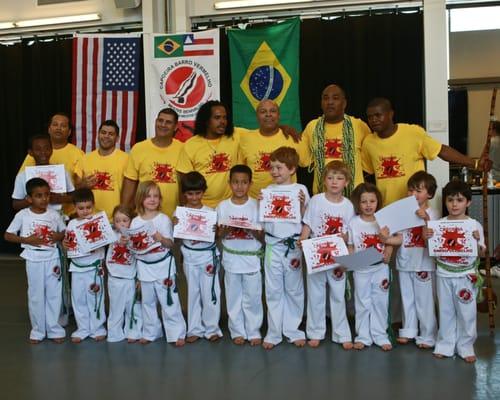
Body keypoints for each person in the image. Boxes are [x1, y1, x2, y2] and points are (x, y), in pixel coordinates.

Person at [363, 97, 489, 206]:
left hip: (416, 206)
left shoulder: (412, 132)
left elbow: (442, 150)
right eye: (370, 117)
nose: (373, 120)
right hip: (387, 208)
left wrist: (475, 163)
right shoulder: (369, 142)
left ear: (390, 114)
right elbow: (367, 174)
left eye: (378, 115)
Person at [424, 181, 485, 363]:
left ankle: (466, 346)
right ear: (445, 202)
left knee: (467, 313)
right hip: (443, 273)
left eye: (459, 200)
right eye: (450, 200)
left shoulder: (474, 225)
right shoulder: (438, 224)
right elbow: (432, 250)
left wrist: (476, 241)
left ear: (468, 202)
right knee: (446, 311)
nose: (454, 204)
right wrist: (428, 238)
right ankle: (445, 345)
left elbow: (482, 252)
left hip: (465, 275)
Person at [379, 171, 438, 348]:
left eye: (418, 191)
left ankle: (428, 335)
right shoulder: (403, 212)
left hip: (424, 263)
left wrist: (426, 220)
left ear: (429, 193)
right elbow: (401, 238)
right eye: (410, 190)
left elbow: (433, 239)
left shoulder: (433, 213)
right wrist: (385, 239)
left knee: (425, 300)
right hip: (405, 261)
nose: (413, 195)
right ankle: (409, 330)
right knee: (407, 298)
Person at [299, 160, 354, 349]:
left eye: (339, 178)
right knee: (315, 294)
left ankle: (342, 333)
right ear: (324, 181)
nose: (334, 182)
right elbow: (308, 224)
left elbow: (350, 234)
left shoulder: (348, 206)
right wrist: (303, 242)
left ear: (346, 182)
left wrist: (344, 241)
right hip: (316, 255)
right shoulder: (316, 200)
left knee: (338, 295)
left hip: (338, 256)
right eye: (330, 178)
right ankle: (315, 332)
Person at [4, 178, 66, 344]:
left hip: (52, 258)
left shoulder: (54, 214)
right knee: (36, 295)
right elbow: (8, 235)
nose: (44, 199)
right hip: (33, 258)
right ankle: (38, 330)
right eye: (39, 196)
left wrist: (58, 236)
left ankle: (54, 328)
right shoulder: (23, 215)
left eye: (46, 195)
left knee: (53, 294)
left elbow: (64, 232)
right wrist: (27, 240)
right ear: (29, 198)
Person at [261, 147, 309, 350]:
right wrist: (261, 206)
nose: (274, 172)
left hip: (293, 244)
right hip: (273, 244)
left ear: (292, 169)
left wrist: (301, 206)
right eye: (272, 168)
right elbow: (263, 223)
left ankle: (293, 330)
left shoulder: (301, 190)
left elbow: (306, 219)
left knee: (294, 289)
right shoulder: (267, 192)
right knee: (273, 290)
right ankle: (273, 332)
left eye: (279, 168)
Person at [131, 181, 186, 346]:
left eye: (155, 196)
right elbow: (134, 249)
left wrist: (160, 238)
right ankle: (151, 332)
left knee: (169, 301)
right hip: (144, 266)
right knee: (147, 302)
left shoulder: (163, 220)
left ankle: (177, 333)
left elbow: (171, 244)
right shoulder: (135, 222)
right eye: (148, 196)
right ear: (141, 199)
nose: (152, 199)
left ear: (160, 199)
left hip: (163, 266)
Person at [216, 165, 264, 346]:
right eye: (235, 182)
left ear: (250, 184)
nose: (239, 187)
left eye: (244, 182)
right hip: (231, 259)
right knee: (233, 297)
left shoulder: (256, 206)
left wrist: (249, 229)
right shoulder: (222, 206)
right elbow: (217, 236)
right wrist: (224, 232)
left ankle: (253, 330)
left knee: (253, 297)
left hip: (251, 259)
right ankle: (237, 331)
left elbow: (262, 236)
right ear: (229, 184)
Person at [175, 172, 222, 343]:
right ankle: (194, 329)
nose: (194, 197)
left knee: (210, 292)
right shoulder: (180, 212)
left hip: (208, 256)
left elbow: (217, 236)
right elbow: (178, 237)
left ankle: (212, 328)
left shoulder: (211, 212)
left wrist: (216, 231)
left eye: (197, 193)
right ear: (184, 194)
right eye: (190, 193)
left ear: (203, 192)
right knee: (193, 293)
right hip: (189, 256)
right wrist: (177, 224)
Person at [302, 84, 371, 195]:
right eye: (325, 98)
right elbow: (303, 160)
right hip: (322, 197)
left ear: (344, 103)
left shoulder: (359, 126)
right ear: (321, 103)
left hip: (354, 198)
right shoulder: (312, 127)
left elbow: (370, 159)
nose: (330, 102)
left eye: (335, 98)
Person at [348, 183, 393, 351]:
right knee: (362, 303)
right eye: (364, 202)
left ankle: (380, 334)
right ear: (358, 204)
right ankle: (363, 336)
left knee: (380, 301)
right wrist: (351, 261)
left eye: (372, 201)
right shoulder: (353, 222)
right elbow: (351, 245)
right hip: (361, 269)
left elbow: (391, 239)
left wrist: (388, 249)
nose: (368, 205)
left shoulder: (383, 221)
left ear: (378, 202)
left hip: (380, 267)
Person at [176, 101, 241, 208]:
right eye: (217, 118)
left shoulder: (235, 136)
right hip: (201, 207)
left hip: (229, 206)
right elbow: (184, 181)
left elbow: (262, 132)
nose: (223, 121)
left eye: (224, 118)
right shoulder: (191, 145)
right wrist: (184, 209)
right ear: (206, 120)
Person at [239, 99, 307, 198]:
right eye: (263, 111)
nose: (268, 114)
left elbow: (304, 162)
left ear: (279, 115)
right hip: (254, 201)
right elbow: (242, 171)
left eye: (273, 111)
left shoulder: (292, 137)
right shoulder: (246, 139)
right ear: (257, 116)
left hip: (287, 200)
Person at [121, 108, 184, 217]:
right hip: (143, 217)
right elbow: (129, 185)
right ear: (155, 122)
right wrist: (124, 213)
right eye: (160, 120)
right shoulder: (139, 148)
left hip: (174, 218)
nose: (163, 125)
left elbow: (186, 186)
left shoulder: (183, 149)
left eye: (168, 122)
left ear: (175, 127)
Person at [63, 188, 106, 343]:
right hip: (77, 268)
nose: (85, 211)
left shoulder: (98, 222)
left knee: (95, 297)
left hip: (94, 267)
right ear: (75, 207)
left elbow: (105, 241)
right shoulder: (72, 224)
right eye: (81, 208)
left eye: (88, 207)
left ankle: (98, 328)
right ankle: (83, 328)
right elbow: (68, 244)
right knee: (78, 298)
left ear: (93, 205)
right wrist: (65, 243)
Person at [75, 120, 129, 220]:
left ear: (117, 138)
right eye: (103, 132)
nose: (106, 136)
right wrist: (83, 185)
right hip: (88, 218)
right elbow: (76, 189)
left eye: (111, 134)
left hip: (115, 220)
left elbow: (131, 192)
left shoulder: (126, 159)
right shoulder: (85, 159)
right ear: (98, 135)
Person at [106, 205, 142, 343]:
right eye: (117, 220)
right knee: (116, 308)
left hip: (130, 278)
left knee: (132, 306)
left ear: (131, 221)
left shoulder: (135, 237)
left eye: (125, 220)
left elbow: (139, 257)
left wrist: (139, 277)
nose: (121, 223)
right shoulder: (110, 235)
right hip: (114, 278)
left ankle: (133, 331)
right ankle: (114, 333)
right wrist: (119, 240)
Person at [12, 134, 74, 213]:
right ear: (30, 152)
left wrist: (60, 199)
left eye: (47, 148)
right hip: (33, 220)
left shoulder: (62, 172)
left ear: (51, 150)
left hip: (57, 217)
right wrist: (33, 199)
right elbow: (15, 204)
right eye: (38, 149)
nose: (43, 152)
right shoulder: (22, 176)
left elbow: (74, 197)